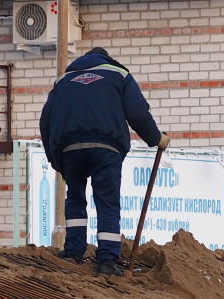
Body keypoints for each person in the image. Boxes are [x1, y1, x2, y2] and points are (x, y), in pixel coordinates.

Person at [39, 47, 170, 277]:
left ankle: (73, 251)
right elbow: (138, 112)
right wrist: (156, 139)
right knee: (107, 202)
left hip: (70, 148)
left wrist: (54, 159)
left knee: (75, 199)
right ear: (107, 59)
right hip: (106, 147)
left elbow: (45, 121)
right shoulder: (118, 75)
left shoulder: (63, 80)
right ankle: (107, 261)